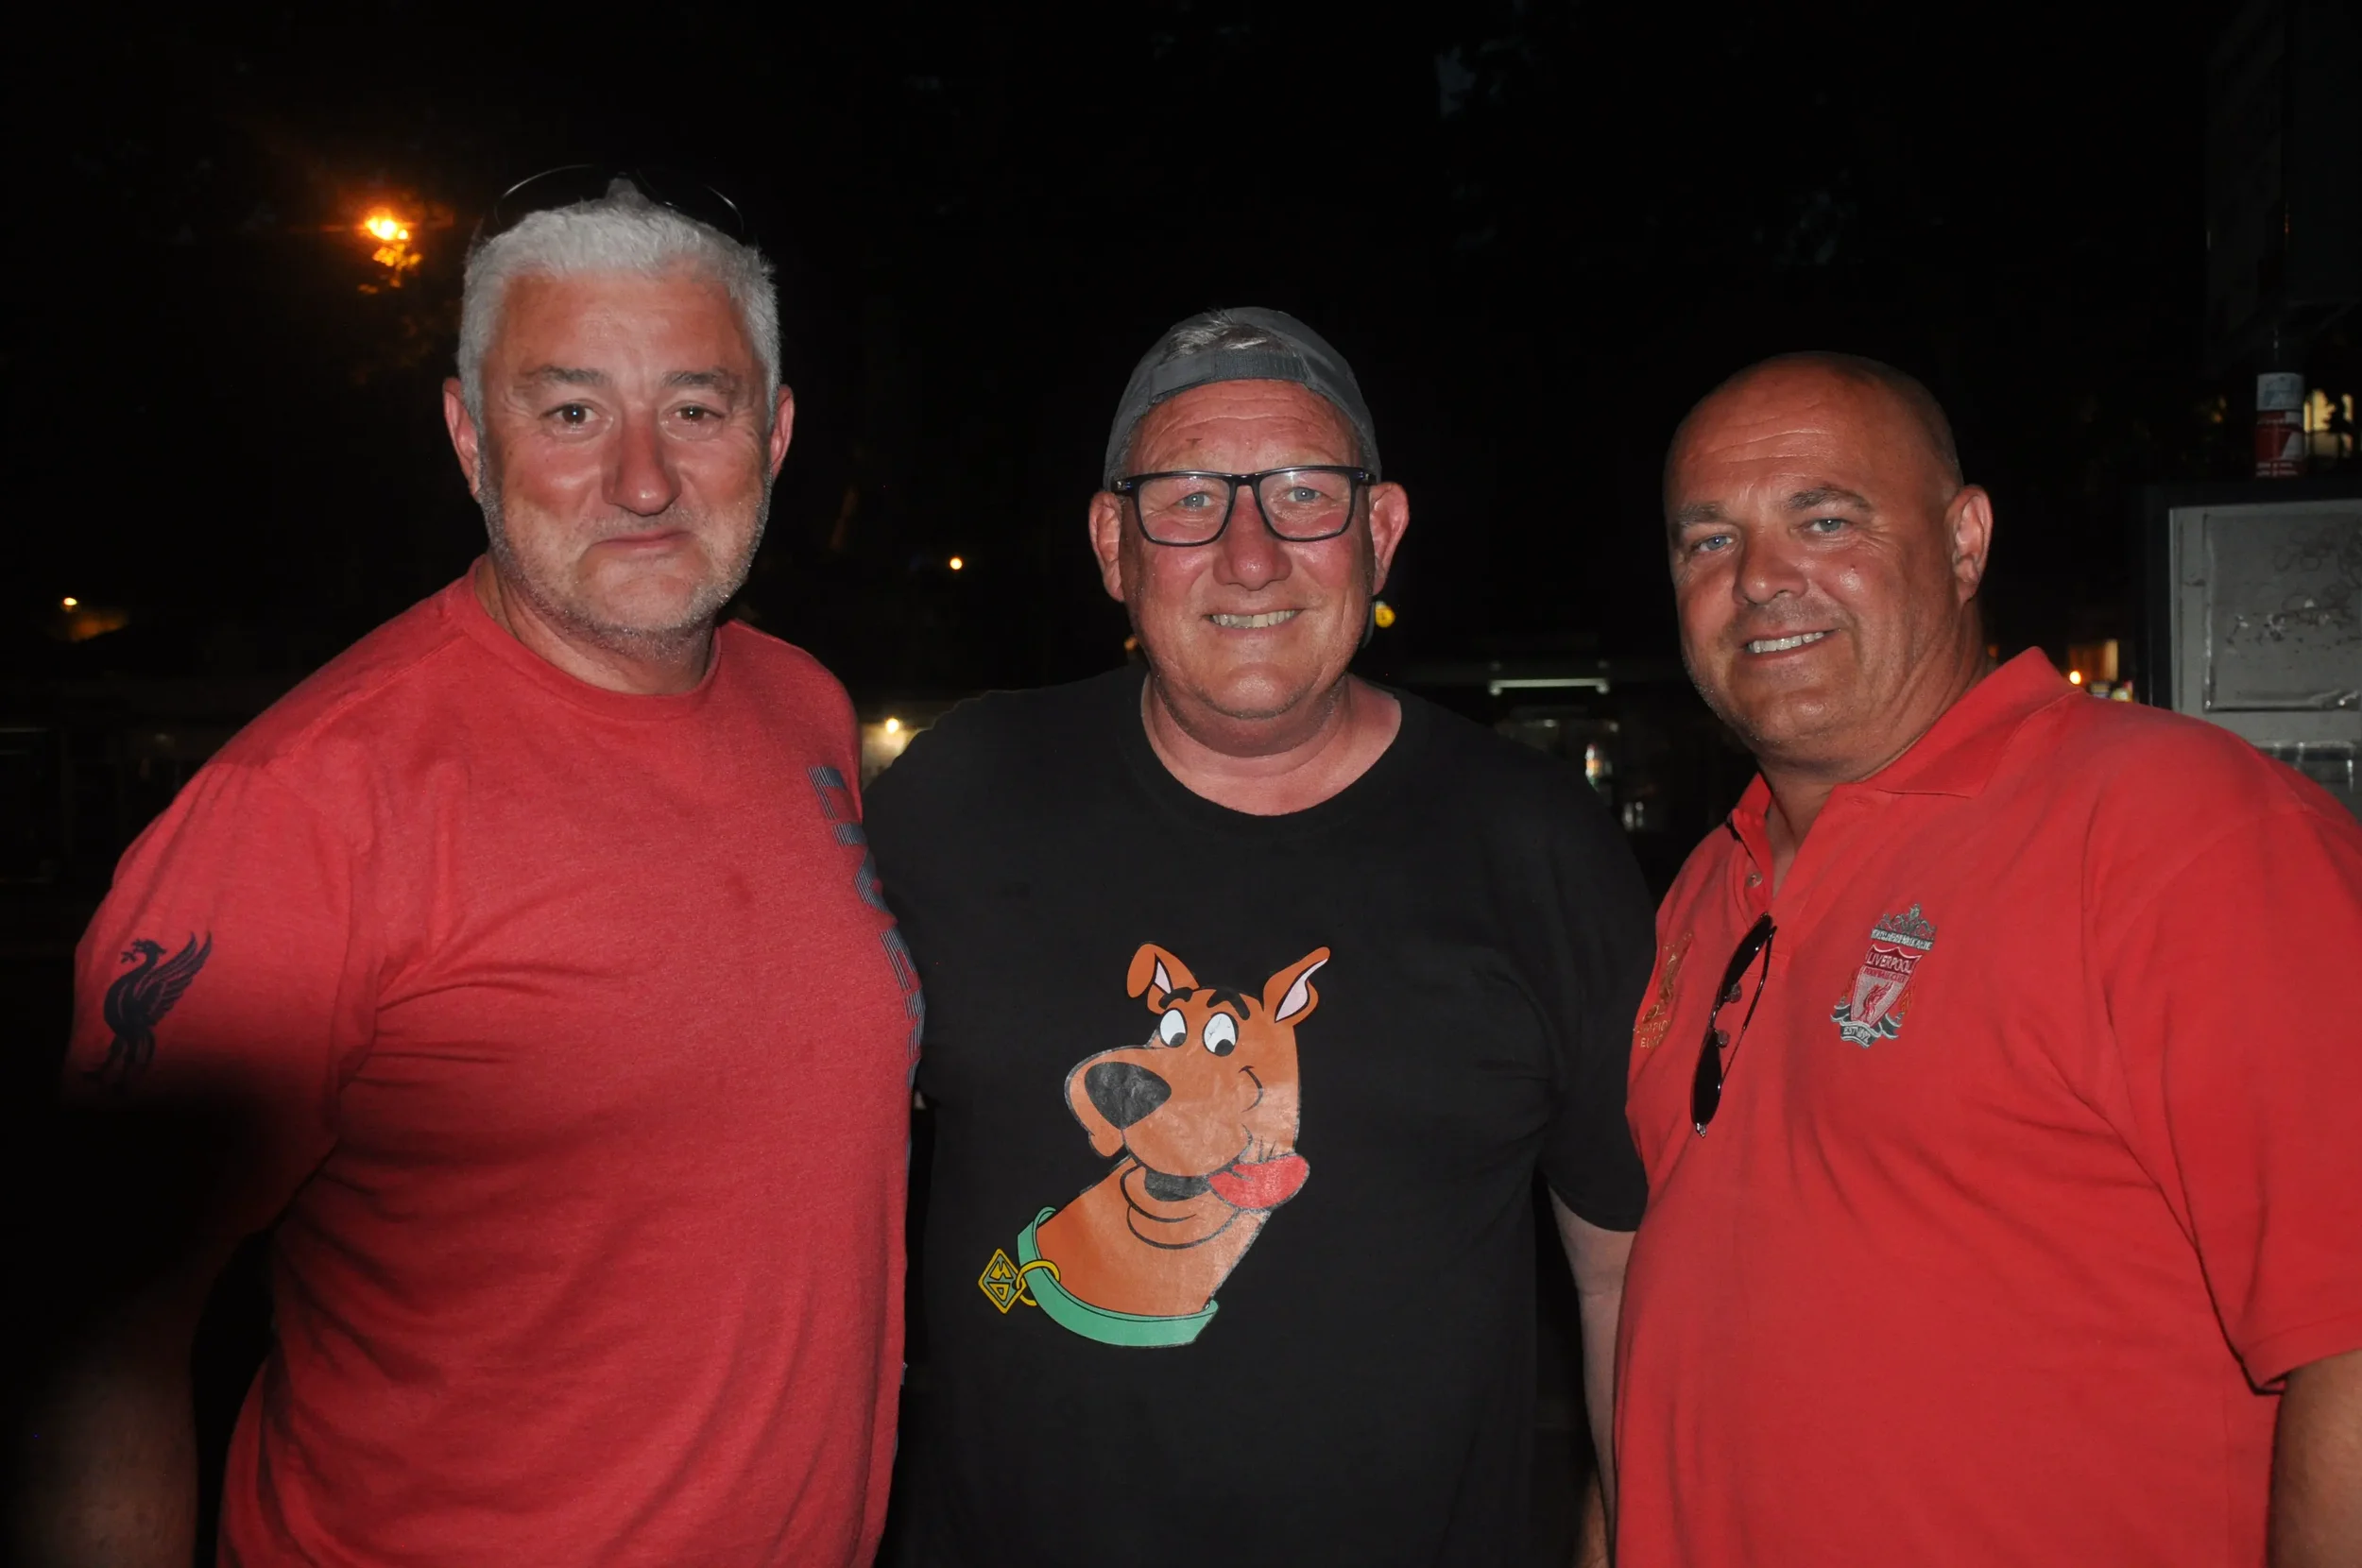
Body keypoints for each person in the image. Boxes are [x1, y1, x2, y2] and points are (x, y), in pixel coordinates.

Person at [21, 180, 918, 1567]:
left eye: (697, 407)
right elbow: (93, 1329)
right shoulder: (304, 806)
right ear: (466, 435)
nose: (641, 478)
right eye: (570, 413)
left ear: (778, 433)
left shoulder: (803, 708)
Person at [864, 308, 1652, 1567]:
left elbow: (1624, 1278)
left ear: (1381, 533)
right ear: (1112, 545)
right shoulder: (959, 796)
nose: (1249, 555)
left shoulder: (1534, 845)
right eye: (1186, 498)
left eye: (1302, 495)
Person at [1617, 350, 2362, 1566]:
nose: (1757, 579)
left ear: (1964, 542)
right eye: (1707, 541)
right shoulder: (1708, 885)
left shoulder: (2182, 830)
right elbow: (1674, 1331)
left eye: (1823, 518)